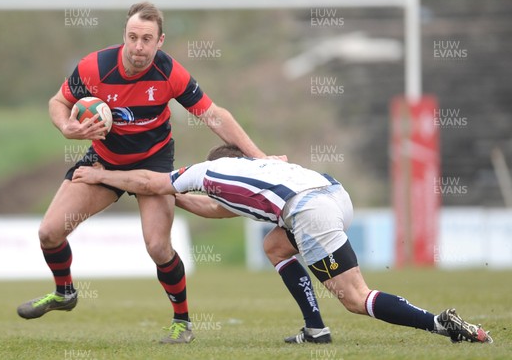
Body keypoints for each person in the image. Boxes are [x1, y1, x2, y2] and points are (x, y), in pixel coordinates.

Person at [16, 2, 267, 344]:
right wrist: (66, 127)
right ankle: (64, 293)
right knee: (48, 233)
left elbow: (214, 116)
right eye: (132, 37)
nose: (138, 46)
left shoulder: (169, 73)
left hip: (154, 163)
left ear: (159, 41)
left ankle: (182, 323)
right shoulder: (95, 68)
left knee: (158, 246)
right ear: (124, 36)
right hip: (104, 161)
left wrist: (260, 158)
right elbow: (57, 102)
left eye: (146, 39)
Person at [71, 144, 494, 345]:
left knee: (354, 297)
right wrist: (173, 198)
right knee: (275, 245)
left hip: (310, 214)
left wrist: (102, 175)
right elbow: (214, 209)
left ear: (218, 160)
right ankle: (315, 329)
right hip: (334, 196)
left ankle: (440, 324)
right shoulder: (260, 168)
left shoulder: (208, 169)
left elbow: (150, 180)